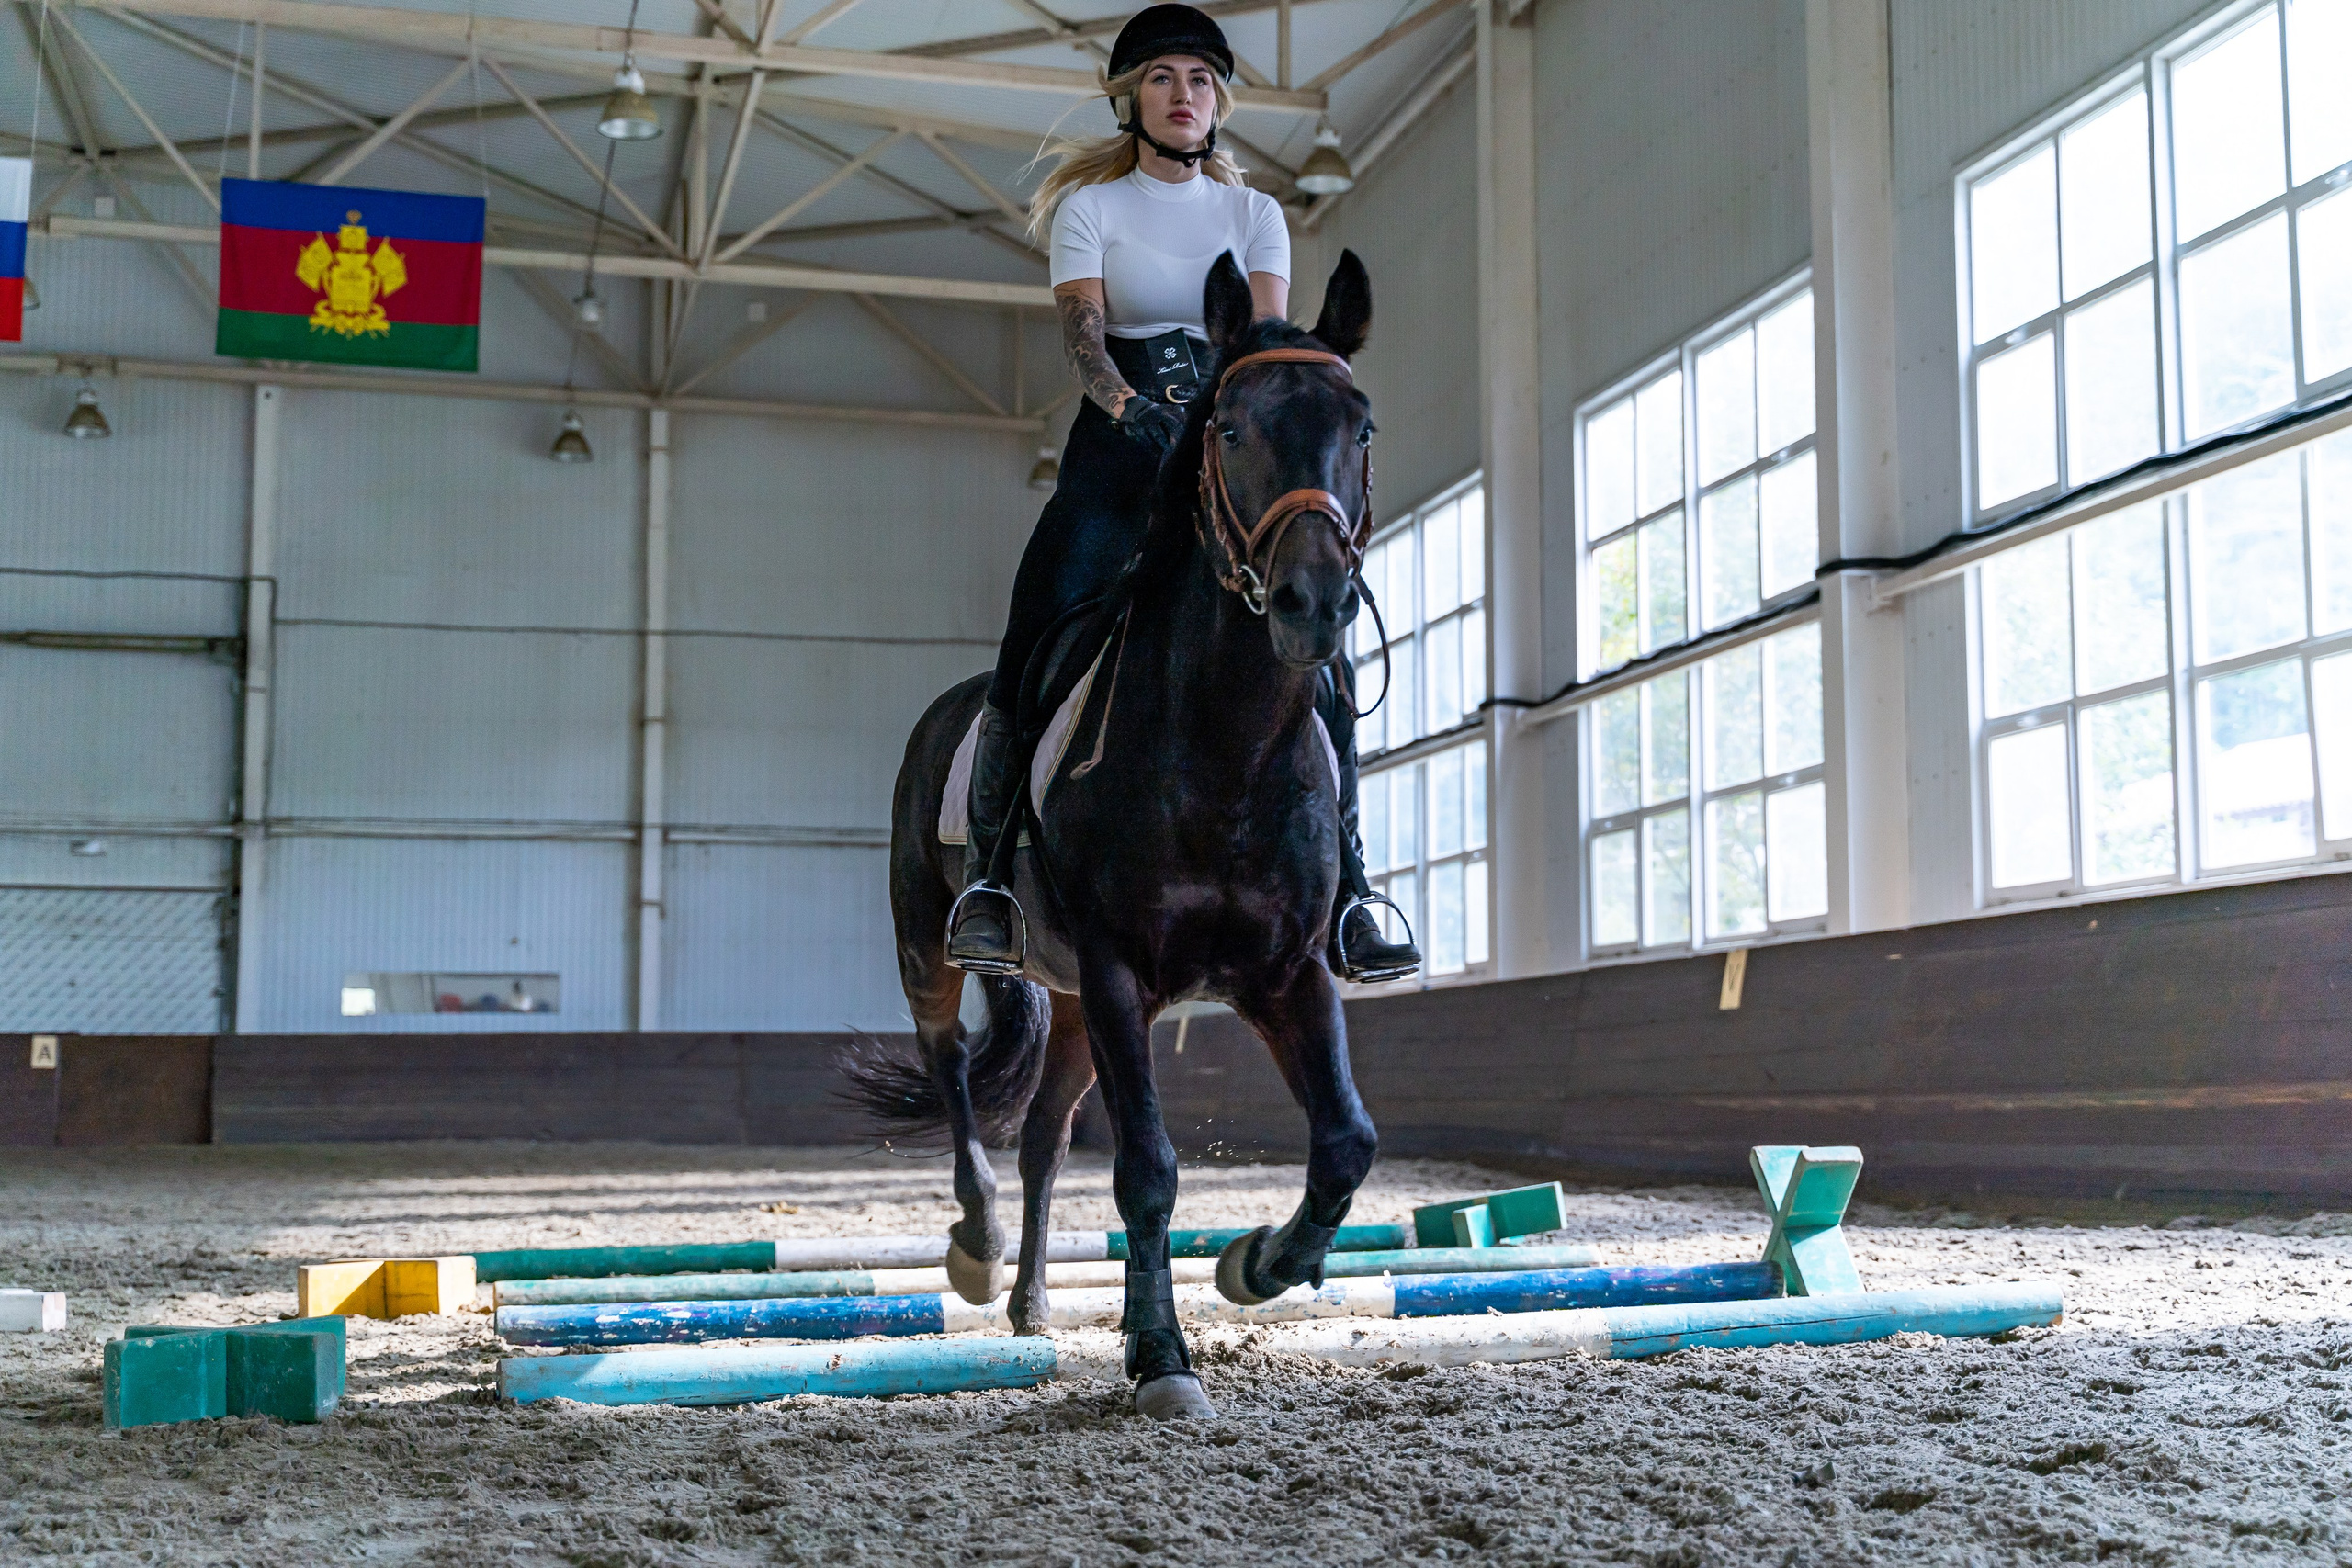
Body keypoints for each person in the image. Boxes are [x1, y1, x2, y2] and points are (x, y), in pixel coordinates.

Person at [946, 3, 1420, 987]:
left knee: (1311, 655)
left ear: (1219, 103)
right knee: (1027, 641)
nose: (1182, 96)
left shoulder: (1253, 215)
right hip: (1115, 462)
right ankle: (990, 883)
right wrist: (1130, 408)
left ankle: (1354, 893)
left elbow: (1260, 352)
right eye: (1162, 79)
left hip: (1219, 465)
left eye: (1199, 81)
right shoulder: (1093, 211)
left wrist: (1219, 426)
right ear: (1132, 99)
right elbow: (1084, 342)